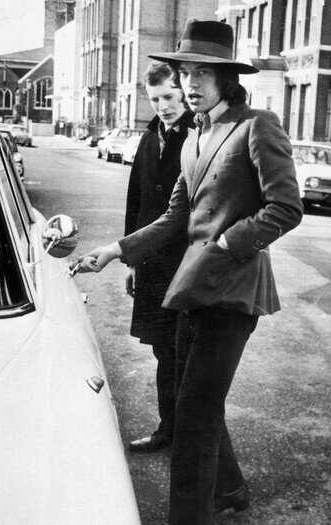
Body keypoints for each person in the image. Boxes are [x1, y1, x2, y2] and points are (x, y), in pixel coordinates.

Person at [76, 19, 303, 525]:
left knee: (195, 412)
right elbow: (176, 216)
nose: (192, 82)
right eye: (186, 71)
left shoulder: (257, 126)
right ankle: (228, 491)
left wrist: (230, 239)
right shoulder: (195, 135)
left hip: (232, 289)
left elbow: (286, 207)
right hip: (191, 287)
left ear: (227, 77)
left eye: (203, 72)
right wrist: (116, 250)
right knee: (192, 395)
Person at [125, 61, 195, 453]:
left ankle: (183, 434)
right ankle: (169, 429)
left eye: (169, 96)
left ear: (182, 92)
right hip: (151, 264)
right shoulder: (149, 137)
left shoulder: (198, 136)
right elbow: (136, 201)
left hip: (184, 263)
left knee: (181, 352)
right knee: (160, 349)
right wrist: (133, 259)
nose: (163, 106)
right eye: (155, 100)